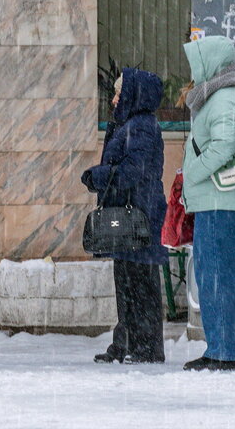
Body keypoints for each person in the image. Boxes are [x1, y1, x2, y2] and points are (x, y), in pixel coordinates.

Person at [180, 35, 235, 371]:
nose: (193, 70)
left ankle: (224, 351)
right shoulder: (222, 95)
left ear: (209, 61)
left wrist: (191, 173)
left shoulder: (224, 98)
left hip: (218, 197)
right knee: (218, 273)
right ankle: (223, 348)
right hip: (218, 197)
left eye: (197, 62)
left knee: (216, 275)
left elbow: (223, 146)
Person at [82, 68, 168, 365]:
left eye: (119, 93)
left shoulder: (141, 126)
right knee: (128, 281)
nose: (115, 99)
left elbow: (134, 170)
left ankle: (145, 347)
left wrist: (98, 176)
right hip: (132, 213)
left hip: (140, 214)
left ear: (134, 94)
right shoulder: (129, 123)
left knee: (140, 283)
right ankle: (127, 342)